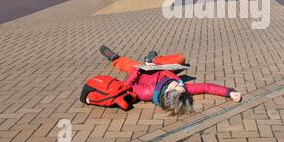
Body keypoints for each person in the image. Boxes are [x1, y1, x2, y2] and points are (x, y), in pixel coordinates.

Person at [99, 46, 242, 116]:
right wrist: (229, 92)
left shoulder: (146, 93)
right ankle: (154, 58)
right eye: (181, 87)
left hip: (143, 71)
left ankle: (114, 57)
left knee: (127, 64)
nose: (180, 84)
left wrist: (140, 69)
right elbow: (206, 87)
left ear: (167, 92)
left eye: (177, 86)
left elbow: (127, 85)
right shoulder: (183, 89)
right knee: (181, 58)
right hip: (163, 68)